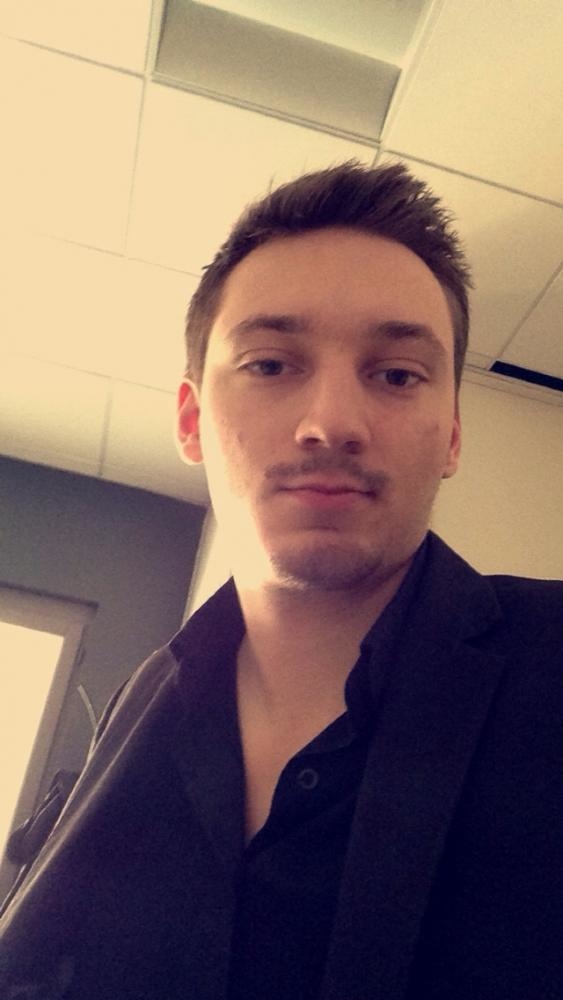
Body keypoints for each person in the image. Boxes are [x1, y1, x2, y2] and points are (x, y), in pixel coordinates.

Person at [1, 161, 562, 1000]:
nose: (329, 422)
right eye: (269, 365)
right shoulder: (137, 709)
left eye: (396, 374)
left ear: (450, 434)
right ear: (192, 419)